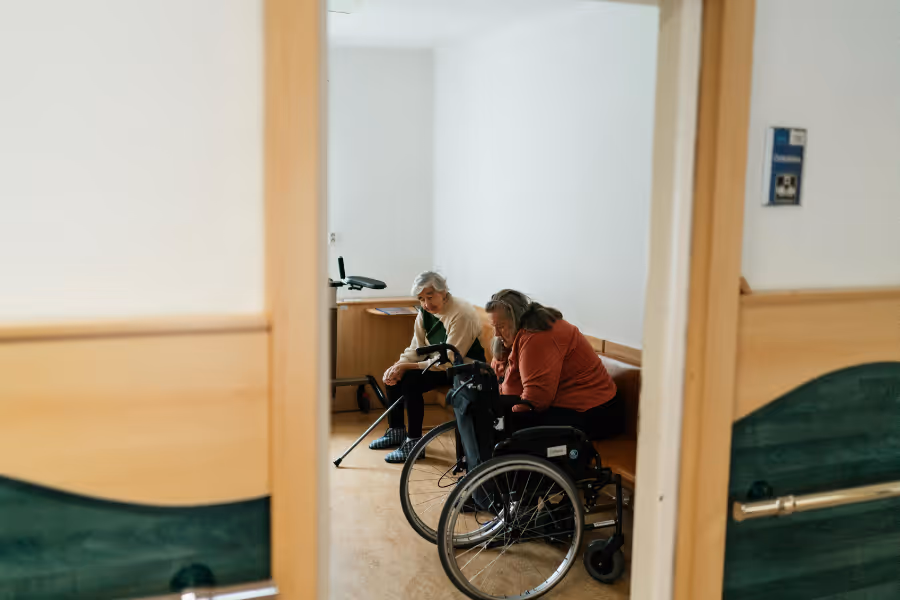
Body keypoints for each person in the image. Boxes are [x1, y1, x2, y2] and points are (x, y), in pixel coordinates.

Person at [370, 271, 486, 463]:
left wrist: (407, 367)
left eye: (430, 296)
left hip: (462, 368)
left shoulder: (461, 313)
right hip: (435, 364)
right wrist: (398, 365)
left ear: (443, 292)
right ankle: (396, 431)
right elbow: (416, 347)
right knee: (394, 377)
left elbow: (449, 360)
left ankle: (414, 443)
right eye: (421, 298)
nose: (425, 303)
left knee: (410, 382)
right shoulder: (425, 312)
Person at [485, 289, 624, 440]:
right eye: (494, 326)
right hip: (564, 405)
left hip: (596, 413)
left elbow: (535, 401)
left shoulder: (537, 337)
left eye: (502, 326)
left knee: (504, 424)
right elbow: (502, 384)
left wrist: (505, 416)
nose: (497, 334)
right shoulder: (519, 334)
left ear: (516, 319)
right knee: (491, 415)